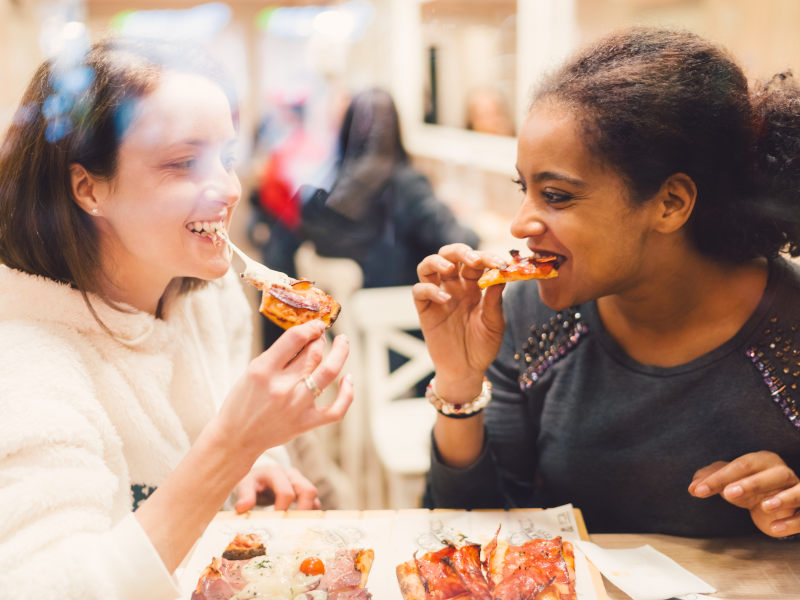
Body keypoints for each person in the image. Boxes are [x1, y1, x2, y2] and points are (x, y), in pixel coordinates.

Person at [413, 26, 800, 538]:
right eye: (523, 188)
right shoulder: (523, 314)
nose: (520, 223)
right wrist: (460, 386)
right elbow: (471, 529)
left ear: (670, 203)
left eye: (556, 196)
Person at [0, 37, 353, 597]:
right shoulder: (22, 364)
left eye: (228, 159)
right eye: (184, 163)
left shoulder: (209, 302)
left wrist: (251, 469)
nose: (229, 190)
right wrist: (230, 449)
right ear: (88, 188)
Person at [259, 87, 480, 347]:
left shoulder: (335, 182)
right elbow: (460, 244)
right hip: (399, 335)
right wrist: (463, 223)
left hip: (347, 335)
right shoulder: (406, 183)